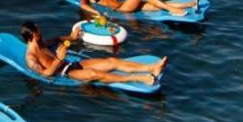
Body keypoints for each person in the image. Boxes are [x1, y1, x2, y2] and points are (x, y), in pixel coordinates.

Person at [20, 22, 164, 84]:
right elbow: (45, 74)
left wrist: (72, 37)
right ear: (33, 34)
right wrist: (58, 59)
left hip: (72, 64)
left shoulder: (42, 43)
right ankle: (140, 78)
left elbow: (57, 39)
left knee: (111, 61)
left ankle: (151, 67)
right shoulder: (30, 58)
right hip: (66, 73)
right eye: (38, 30)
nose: (41, 30)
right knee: (95, 74)